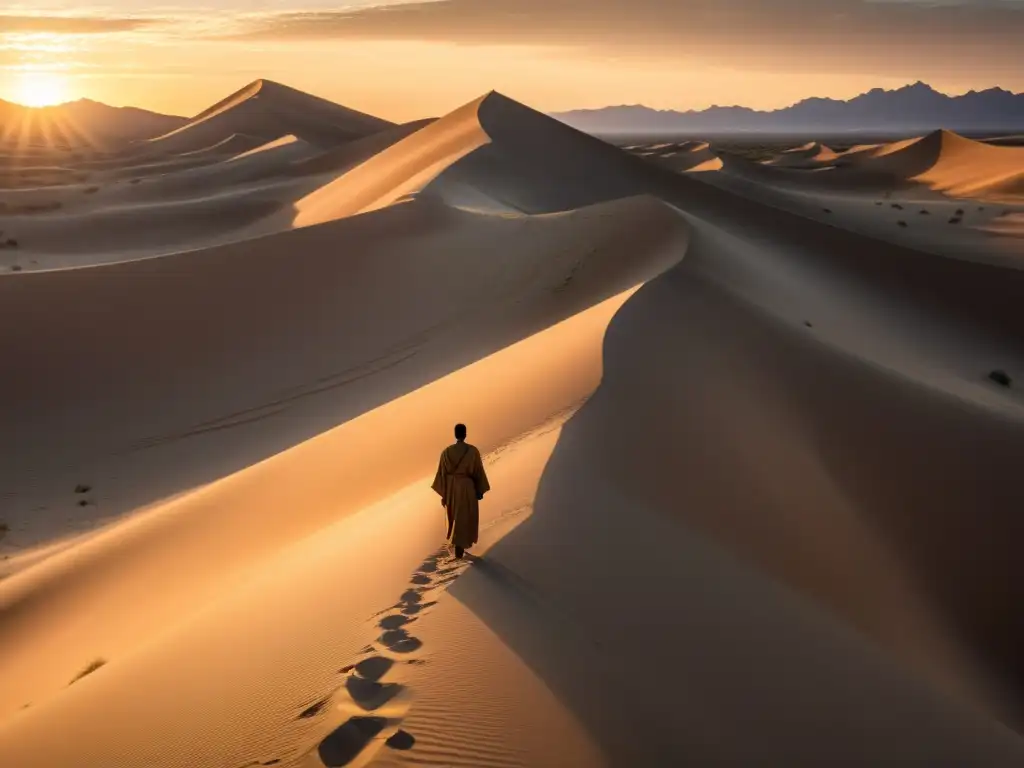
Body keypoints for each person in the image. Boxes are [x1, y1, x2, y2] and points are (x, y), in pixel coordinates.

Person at [431, 423, 490, 559]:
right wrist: (479, 490)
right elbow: (478, 471)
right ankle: (460, 547)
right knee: (465, 516)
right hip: (467, 487)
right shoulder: (472, 451)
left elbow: (442, 475)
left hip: (451, 488)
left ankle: (458, 546)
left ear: (455, 434)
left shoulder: (446, 452)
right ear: (465, 434)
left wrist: (445, 494)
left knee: (456, 517)